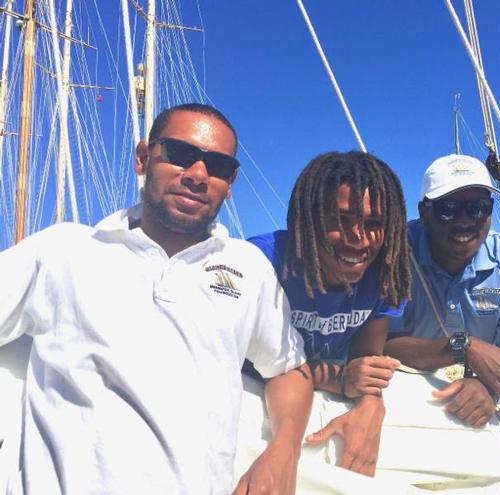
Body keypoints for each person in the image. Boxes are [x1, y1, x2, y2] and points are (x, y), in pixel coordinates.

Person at [0, 103, 313, 495]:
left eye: (218, 166)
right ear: (143, 158)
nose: (198, 175)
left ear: (230, 183)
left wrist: (284, 453)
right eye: (181, 155)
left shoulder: (247, 268)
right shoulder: (64, 250)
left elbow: (289, 369)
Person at [248, 151, 411, 476]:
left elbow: (365, 364)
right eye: (340, 222)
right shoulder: (264, 262)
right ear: (308, 220)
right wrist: (336, 378)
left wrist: (370, 403)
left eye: (373, 223)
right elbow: (240, 360)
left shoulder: (385, 273)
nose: (359, 238)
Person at [385, 153, 500, 428]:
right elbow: (384, 344)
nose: (465, 221)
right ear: (423, 212)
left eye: (479, 208)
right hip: (403, 391)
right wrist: (463, 347)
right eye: (448, 208)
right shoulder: (395, 254)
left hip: (476, 391)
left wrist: (489, 390)